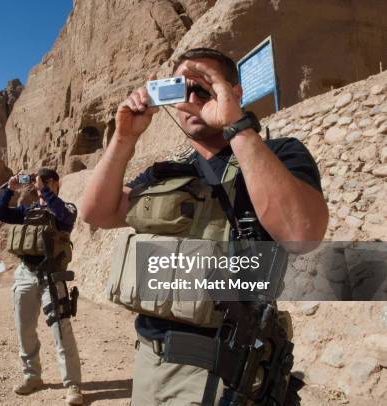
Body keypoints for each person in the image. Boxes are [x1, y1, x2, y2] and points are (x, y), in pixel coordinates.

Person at [80, 48, 329, 405]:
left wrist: (236, 124)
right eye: (182, 92)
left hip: (226, 367)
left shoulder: (279, 154)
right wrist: (124, 138)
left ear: (235, 93)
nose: (193, 100)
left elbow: (301, 233)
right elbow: (97, 213)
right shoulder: (167, 173)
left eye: (204, 88)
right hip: (151, 363)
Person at [0, 168, 83, 405]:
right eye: (37, 182)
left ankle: (72, 385)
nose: (38, 185)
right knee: (24, 328)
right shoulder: (29, 211)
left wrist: (45, 191)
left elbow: (65, 217)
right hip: (25, 273)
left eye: (45, 182)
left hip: (52, 275)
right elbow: (0, 213)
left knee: (61, 330)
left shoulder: (66, 210)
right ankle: (32, 377)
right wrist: (8, 190)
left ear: (55, 184)